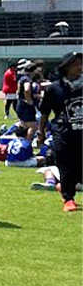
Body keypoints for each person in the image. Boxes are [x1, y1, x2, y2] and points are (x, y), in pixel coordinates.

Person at [37, 52, 82, 211]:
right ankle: (68, 198)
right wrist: (40, 132)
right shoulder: (54, 89)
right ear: (66, 67)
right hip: (63, 132)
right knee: (66, 164)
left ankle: (64, 186)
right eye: (76, 64)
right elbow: (44, 112)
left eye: (80, 63)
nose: (79, 67)